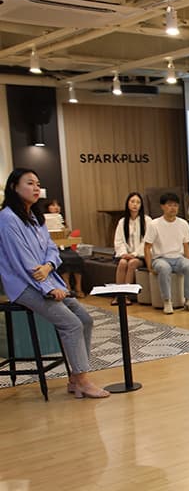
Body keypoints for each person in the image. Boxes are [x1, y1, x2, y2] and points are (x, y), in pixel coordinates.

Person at [0, 168, 107, 398]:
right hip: (24, 286)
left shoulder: (35, 216)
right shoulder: (7, 218)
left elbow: (51, 249)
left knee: (85, 319)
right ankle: (82, 380)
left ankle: (75, 379)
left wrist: (49, 266)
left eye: (38, 184)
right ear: (14, 187)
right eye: (30, 183)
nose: (36, 188)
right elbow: (23, 262)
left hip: (46, 279)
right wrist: (49, 289)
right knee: (72, 324)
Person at [143, 193, 189, 315]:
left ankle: (188, 300)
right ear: (162, 206)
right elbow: (147, 247)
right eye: (169, 205)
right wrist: (149, 266)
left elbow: (186, 245)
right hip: (160, 258)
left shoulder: (183, 223)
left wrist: (188, 261)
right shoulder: (154, 224)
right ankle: (167, 301)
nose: (173, 208)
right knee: (164, 268)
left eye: (175, 205)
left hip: (178, 258)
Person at [113, 192, 153, 304]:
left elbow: (147, 242)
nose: (135, 204)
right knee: (122, 263)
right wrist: (124, 254)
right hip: (125, 254)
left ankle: (126, 296)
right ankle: (118, 295)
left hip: (142, 255)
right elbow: (119, 241)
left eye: (138, 202)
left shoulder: (147, 220)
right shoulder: (122, 222)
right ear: (128, 203)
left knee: (132, 263)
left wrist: (134, 254)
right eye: (132, 201)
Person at [44, 199, 84, 298]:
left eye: (58, 205)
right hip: (53, 249)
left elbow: (67, 234)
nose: (56, 207)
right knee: (63, 260)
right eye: (53, 205)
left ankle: (78, 287)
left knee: (77, 258)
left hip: (65, 246)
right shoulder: (44, 220)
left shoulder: (61, 220)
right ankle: (67, 286)